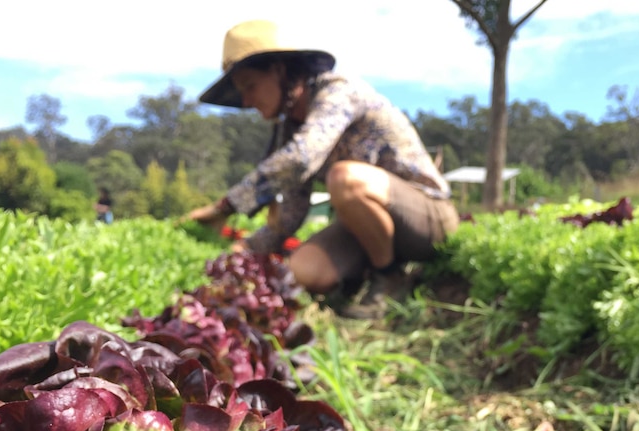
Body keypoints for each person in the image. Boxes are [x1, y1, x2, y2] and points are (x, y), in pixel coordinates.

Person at [185, 20, 459, 319]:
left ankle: (390, 277)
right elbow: (290, 213)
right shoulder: (290, 128)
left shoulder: (338, 92)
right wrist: (245, 250)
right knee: (303, 271)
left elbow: (301, 158)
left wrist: (226, 206)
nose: (248, 101)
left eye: (250, 86)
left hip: (427, 218)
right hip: (366, 229)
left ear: (279, 70)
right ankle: (369, 272)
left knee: (345, 178)